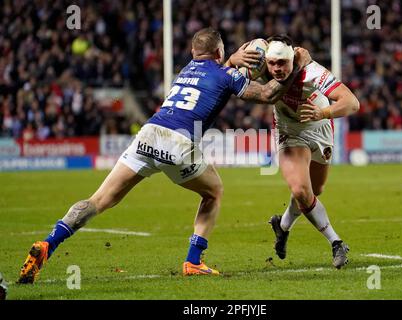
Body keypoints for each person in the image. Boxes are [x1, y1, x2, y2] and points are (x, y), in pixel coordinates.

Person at [18, 28, 308, 283]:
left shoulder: (184, 70)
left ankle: (48, 244)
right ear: (219, 51)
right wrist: (294, 66)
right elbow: (269, 94)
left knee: (99, 200)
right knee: (214, 191)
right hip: (177, 141)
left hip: (149, 133)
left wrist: (231, 60)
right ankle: (193, 261)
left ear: (195, 52)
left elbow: (216, 72)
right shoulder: (225, 74)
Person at [257, 35, 360, 269]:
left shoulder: (313, 72)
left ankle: (282, 227)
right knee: (301, 190)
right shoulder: (262, 65)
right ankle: (336, 242)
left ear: (293, 57)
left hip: (319, 125)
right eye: (272, 63)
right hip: (288, 130)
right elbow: (230, 73)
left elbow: (352, 103)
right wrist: (233, 59)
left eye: (282, 63)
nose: (276, 69)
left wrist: (322, 114)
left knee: (315, 190)